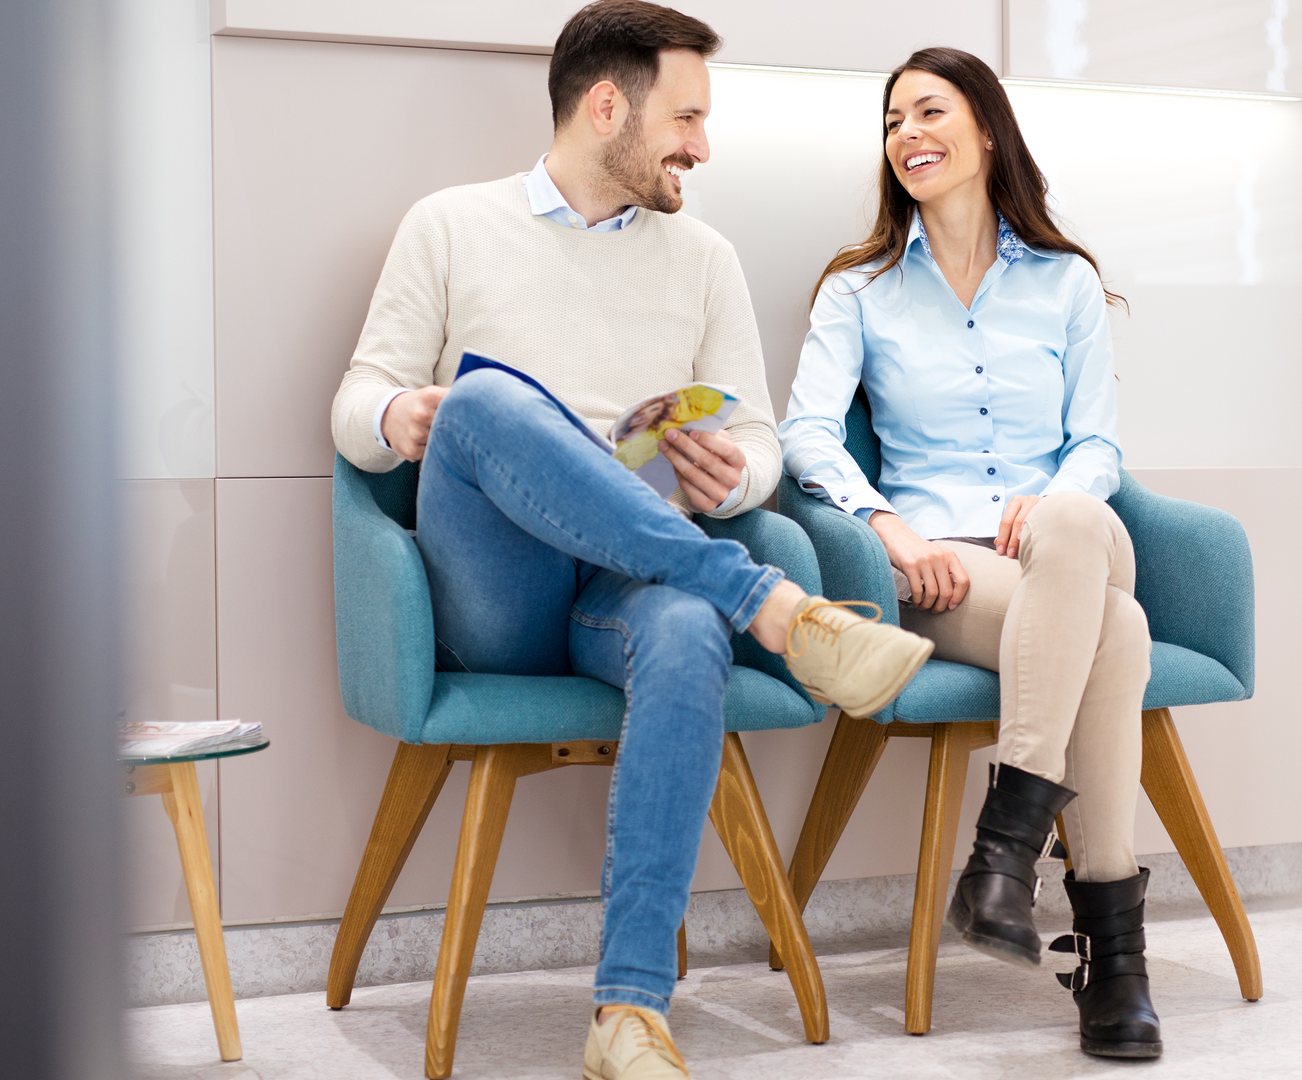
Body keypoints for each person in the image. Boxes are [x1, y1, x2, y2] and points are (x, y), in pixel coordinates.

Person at [330, 4, 933, 1076]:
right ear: (606, 106)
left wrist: (733, 473)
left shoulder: (703, 257)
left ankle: (628, 1015)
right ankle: (775, 608)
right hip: (501, 594)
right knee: (488, 402)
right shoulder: (451, 225)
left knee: (691, 632)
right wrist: (400, 416)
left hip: (632, 576)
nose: (702, 146)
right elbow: (354, 403)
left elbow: (762, 441)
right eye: (686, 118)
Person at [779, 47, 1161, 1060]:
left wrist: (1056, 501)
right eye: (893, 121)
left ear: (986, 130)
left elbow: (1098, 445)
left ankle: (1006, 849)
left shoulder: (1066, 282)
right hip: (944, 569)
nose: (907, 134)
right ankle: (1116, 965)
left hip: (1067, 538)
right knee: (1120, 633)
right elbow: (806, 434)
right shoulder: (860, 289)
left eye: (930, 112)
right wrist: (887, 527)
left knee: (1071, 526)